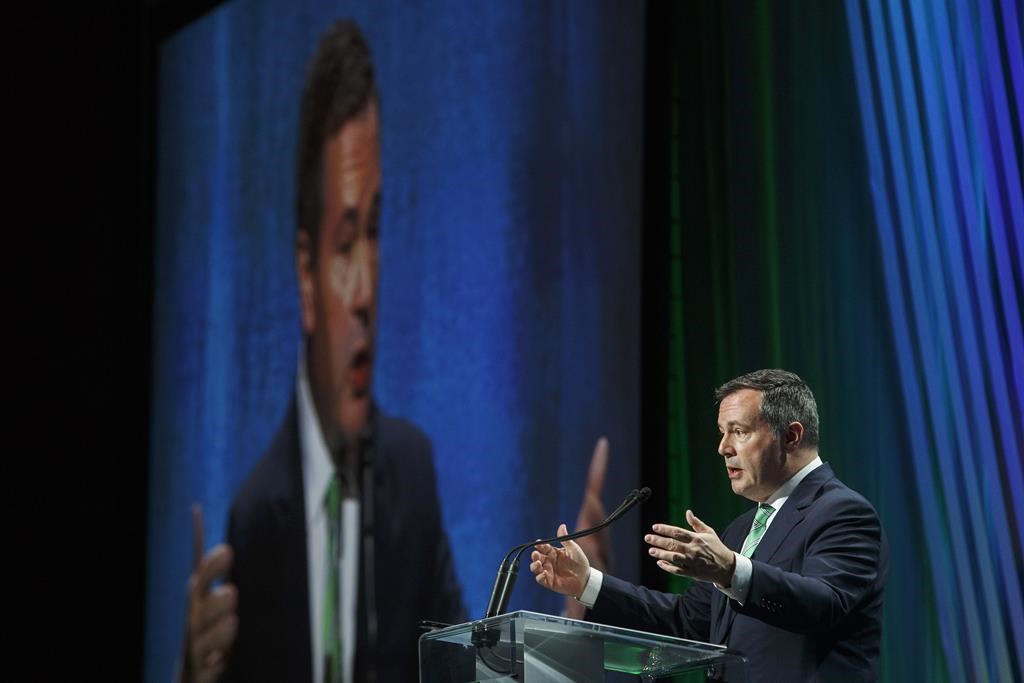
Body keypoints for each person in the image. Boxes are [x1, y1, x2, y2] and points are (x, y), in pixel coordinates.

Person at [182, 20, 609, 683]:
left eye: (375, 231)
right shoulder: (256, 514)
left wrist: (574, 620)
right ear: (304, 273)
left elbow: (465, 672)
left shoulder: (411, 471)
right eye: (345, 238)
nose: (363, 291)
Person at [530, 369, 889, 682]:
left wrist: (731, 570)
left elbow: (823, 603)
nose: (722, 448)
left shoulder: (843, 512)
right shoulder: (741, 530)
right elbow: (686, 622)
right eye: (722, 432)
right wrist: (587, 582)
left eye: (739, 431)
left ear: (791, 436)